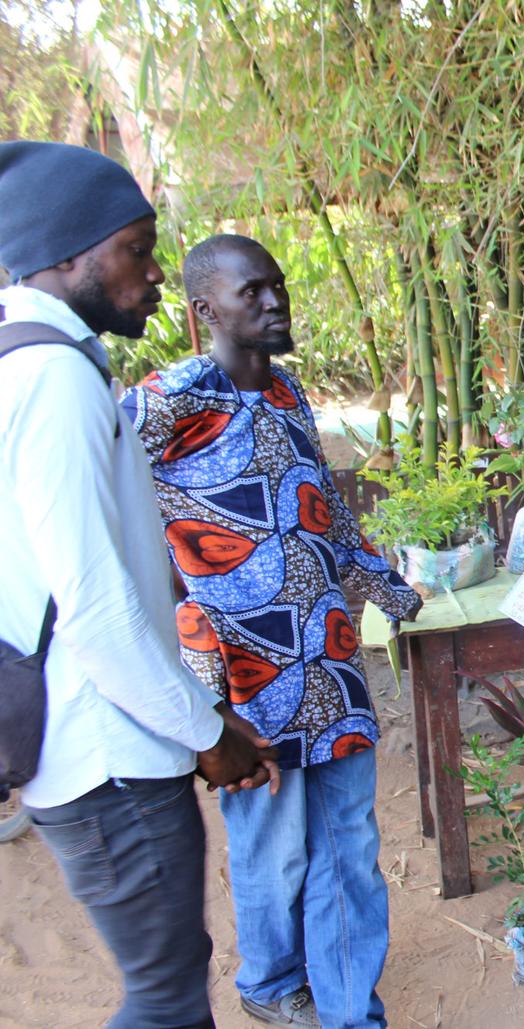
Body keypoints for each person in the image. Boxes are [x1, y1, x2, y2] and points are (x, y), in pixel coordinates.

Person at [0, 142, 280, 1029]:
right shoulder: (50, 380)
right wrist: (207, 733)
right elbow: (95, 606)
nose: (155, 273)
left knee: (169, 979)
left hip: (99, 743)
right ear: (70, 253)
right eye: (137, 249)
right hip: (107, 753)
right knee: (165, 997)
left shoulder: (31, 361)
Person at [121, 233, 422, 1029]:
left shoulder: (289, 395)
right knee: (272, 847)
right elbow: (99, 492)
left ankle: (349, 1007)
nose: (273, 301)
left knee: (349, 844)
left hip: (326, 660)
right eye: (251, 290)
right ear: (204, 311)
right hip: (244, 678)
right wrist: (176, 624)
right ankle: (269, 979)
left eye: (277, 286)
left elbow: (325, 510)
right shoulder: (171, 398)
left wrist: (390, 588)